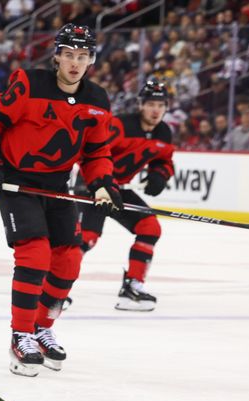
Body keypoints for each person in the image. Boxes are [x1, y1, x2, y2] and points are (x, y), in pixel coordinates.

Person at [0, 24, 121, 377]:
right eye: (69, 55)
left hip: (57, 185)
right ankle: (20, 334)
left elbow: (97, 151)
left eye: (82, 57)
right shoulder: (29, 84)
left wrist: (102, 183)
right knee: (35, 254)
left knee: (68, 260)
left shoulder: (97, 101)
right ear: (57, 56)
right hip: (17, 183)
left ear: (90, 61)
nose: (74, 63)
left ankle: (42, 327)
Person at [78, 78, 175, 311]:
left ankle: (133, 287)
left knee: (150, 227)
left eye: (161, 105)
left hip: (120, 190)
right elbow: (93, 154)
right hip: (94, 186)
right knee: (86, 237)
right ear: (141, 105)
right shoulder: (119, 125)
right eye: (151, 104)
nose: (156, 110)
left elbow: (164, 159)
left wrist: (159, 175)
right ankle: (53, 287)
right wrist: (103, 184)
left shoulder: (164, 132)